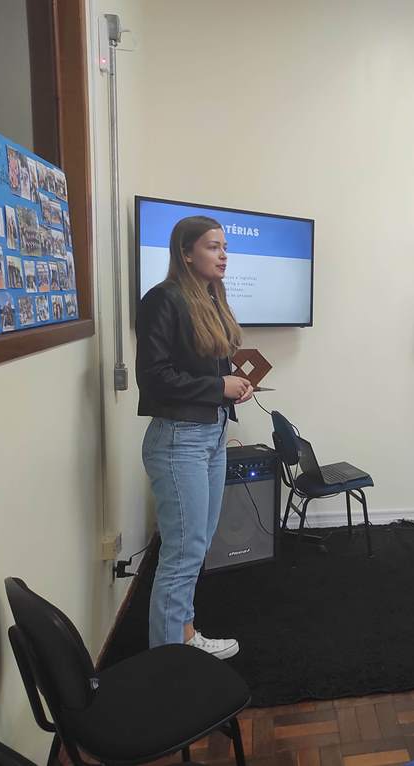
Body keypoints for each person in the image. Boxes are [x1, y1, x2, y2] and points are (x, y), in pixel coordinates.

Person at [136, 215, 254, 659]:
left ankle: (184, 635)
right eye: (212, 247)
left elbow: (202, 367)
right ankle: (170, 666)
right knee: (183, 552)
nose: (223, 256)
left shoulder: (210, 297)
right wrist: (218, 386)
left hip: (211, 433)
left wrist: (231, 387)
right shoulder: (162, 299)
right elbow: (154, 378)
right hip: (178, 440)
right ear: (186, 253)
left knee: (196, 545)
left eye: (225, 247)